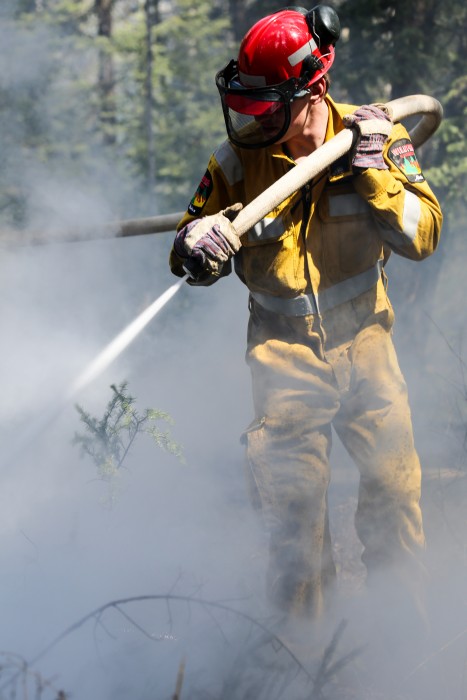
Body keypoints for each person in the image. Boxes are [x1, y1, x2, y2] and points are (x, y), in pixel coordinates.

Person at [169, 5, 443, 624]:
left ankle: (407, 649)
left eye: (267, 106)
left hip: (369, 348)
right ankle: (298, 664)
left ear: (313, 88)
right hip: (283, 356)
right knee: (294, 531)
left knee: (395, 503)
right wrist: (196, 242)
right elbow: (184, 252)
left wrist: (377, 176)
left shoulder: (378, 138)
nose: (252, 119)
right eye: (247, 104)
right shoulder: (238, 162)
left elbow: (424, 237)